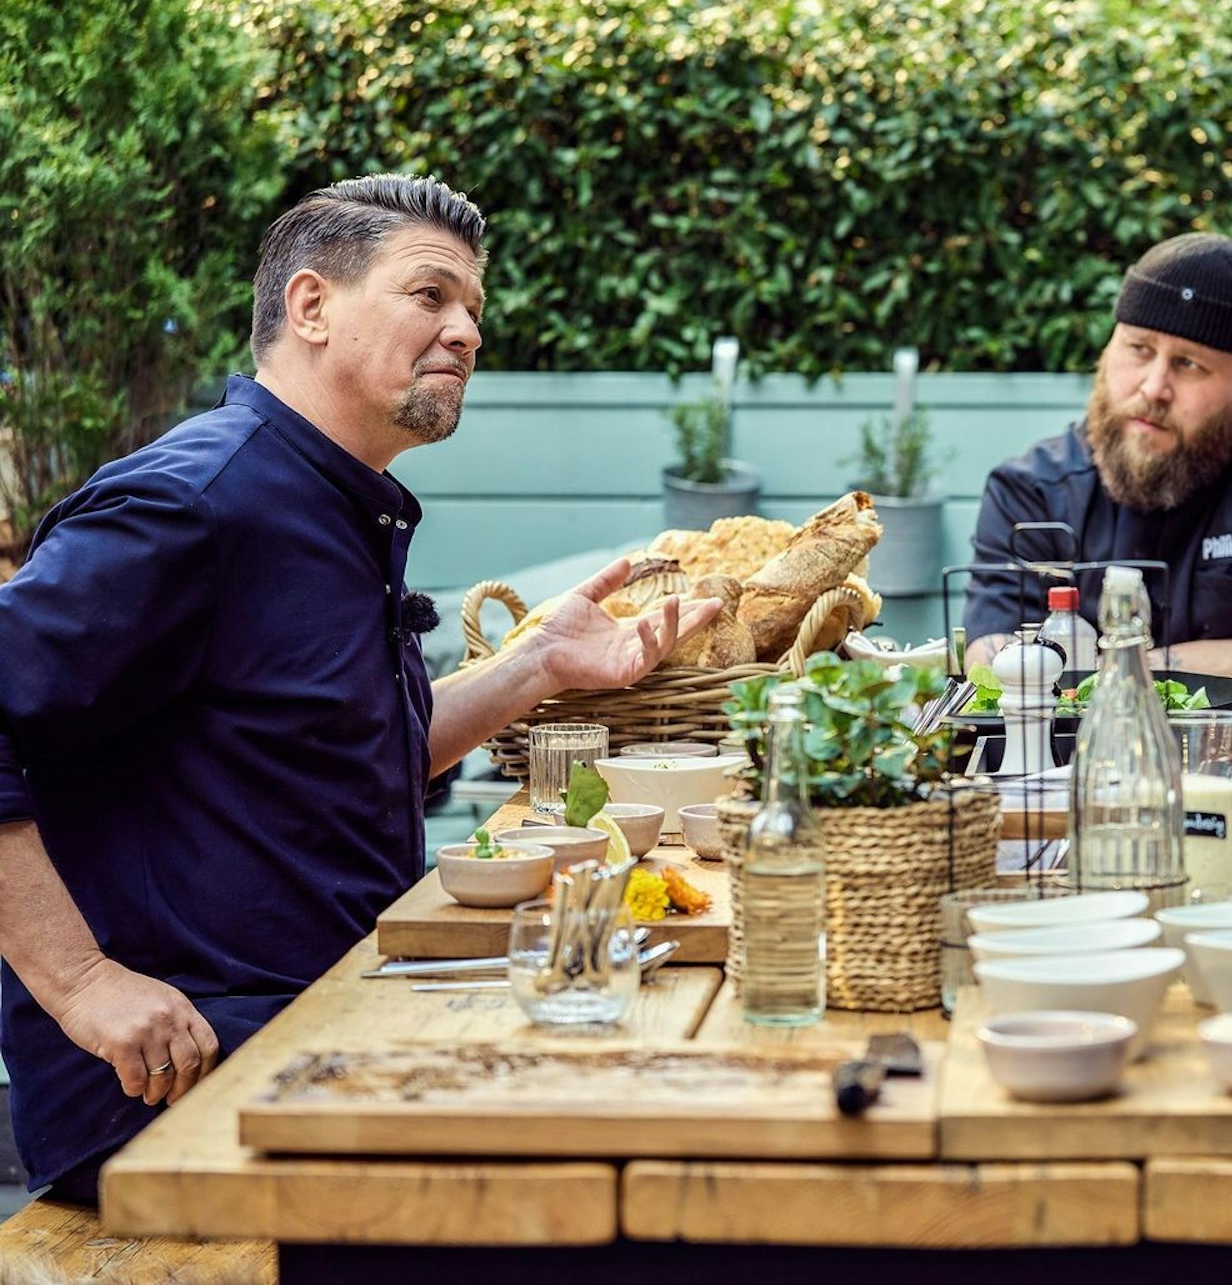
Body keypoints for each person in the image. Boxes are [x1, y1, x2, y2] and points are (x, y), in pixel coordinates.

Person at [0, 173, 719, 1204]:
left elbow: (336, 757)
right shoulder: (192, 502)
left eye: (473, 308)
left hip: (331, 1014)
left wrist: (534, 665)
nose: (466, 331)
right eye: (430, 296)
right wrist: (79, 983)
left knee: (641, 1073)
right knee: (618, 1165)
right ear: (310, 306)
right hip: (175, 1078)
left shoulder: (336, 504)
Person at [962, 233, 1232, 736]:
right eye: (1138, 349)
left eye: (1189, 364)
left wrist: (1101, 675)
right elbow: (990, 671)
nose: (1152, 388)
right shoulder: (1032, 491)